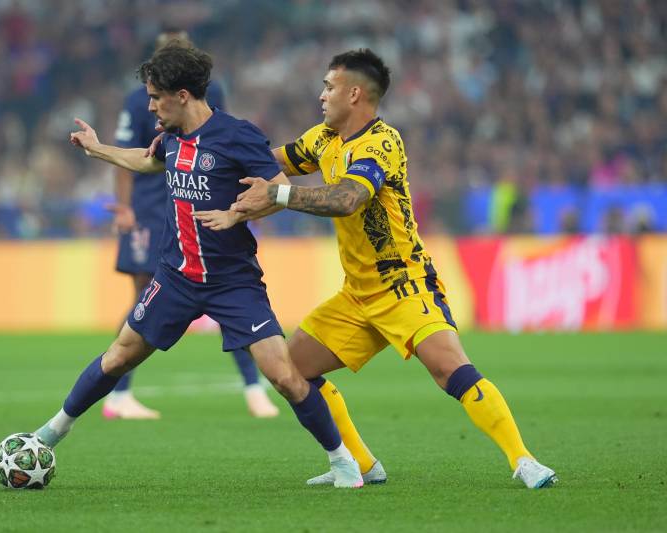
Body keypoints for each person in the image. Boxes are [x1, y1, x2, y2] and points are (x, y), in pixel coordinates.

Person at [195, 48, 558, 489]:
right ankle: (362, 465)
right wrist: (197, 152)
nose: (321, 95)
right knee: (292, 370)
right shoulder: (322, 139)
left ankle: (524, 460)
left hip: (403, 283)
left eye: (329, 87)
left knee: (450, 369)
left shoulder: (382, 143)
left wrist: (278, 195)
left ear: (354, 94)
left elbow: (348, 198)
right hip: (356, 293)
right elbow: (264, 161)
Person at [34, 44, 363, 488]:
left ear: (183, 95)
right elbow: (146, 161)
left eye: (156, 97)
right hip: (176, 277)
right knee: (117, 356)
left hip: (233, 281)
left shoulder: (238, 135)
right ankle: (48, 435)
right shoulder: (170, 137)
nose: (151, 107)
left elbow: (278, 190)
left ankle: (343, 463)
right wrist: (97, 149)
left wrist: (235, 214)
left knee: (285, 376)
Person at [105, 29, 278, 420]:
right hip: (151, 209)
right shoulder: (140, 100)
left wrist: (240, 207)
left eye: (183, 45)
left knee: (223, 288)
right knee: (144, 297)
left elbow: (224, 145)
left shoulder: (209, 96)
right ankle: (120, 392)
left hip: (197, 205)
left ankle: (253, 386)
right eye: (170, 45)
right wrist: (125, 206)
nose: (177, 48)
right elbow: (132, 156)